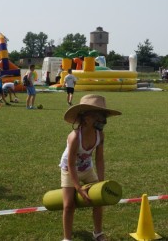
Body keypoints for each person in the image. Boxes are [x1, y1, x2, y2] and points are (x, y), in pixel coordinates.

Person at [59, 94, 122, 241]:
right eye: (99, 116)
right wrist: (78, 188)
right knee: (69, 205)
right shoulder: (75, 137)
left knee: (98, 200)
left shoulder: (100, 135)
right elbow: (71, 164)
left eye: (103, 115)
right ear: (86, 118)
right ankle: (67, 238)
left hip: (87, 169)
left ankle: (98, 233)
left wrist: (101, 182)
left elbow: (99, 160)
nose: (103, 120)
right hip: (69, 170)